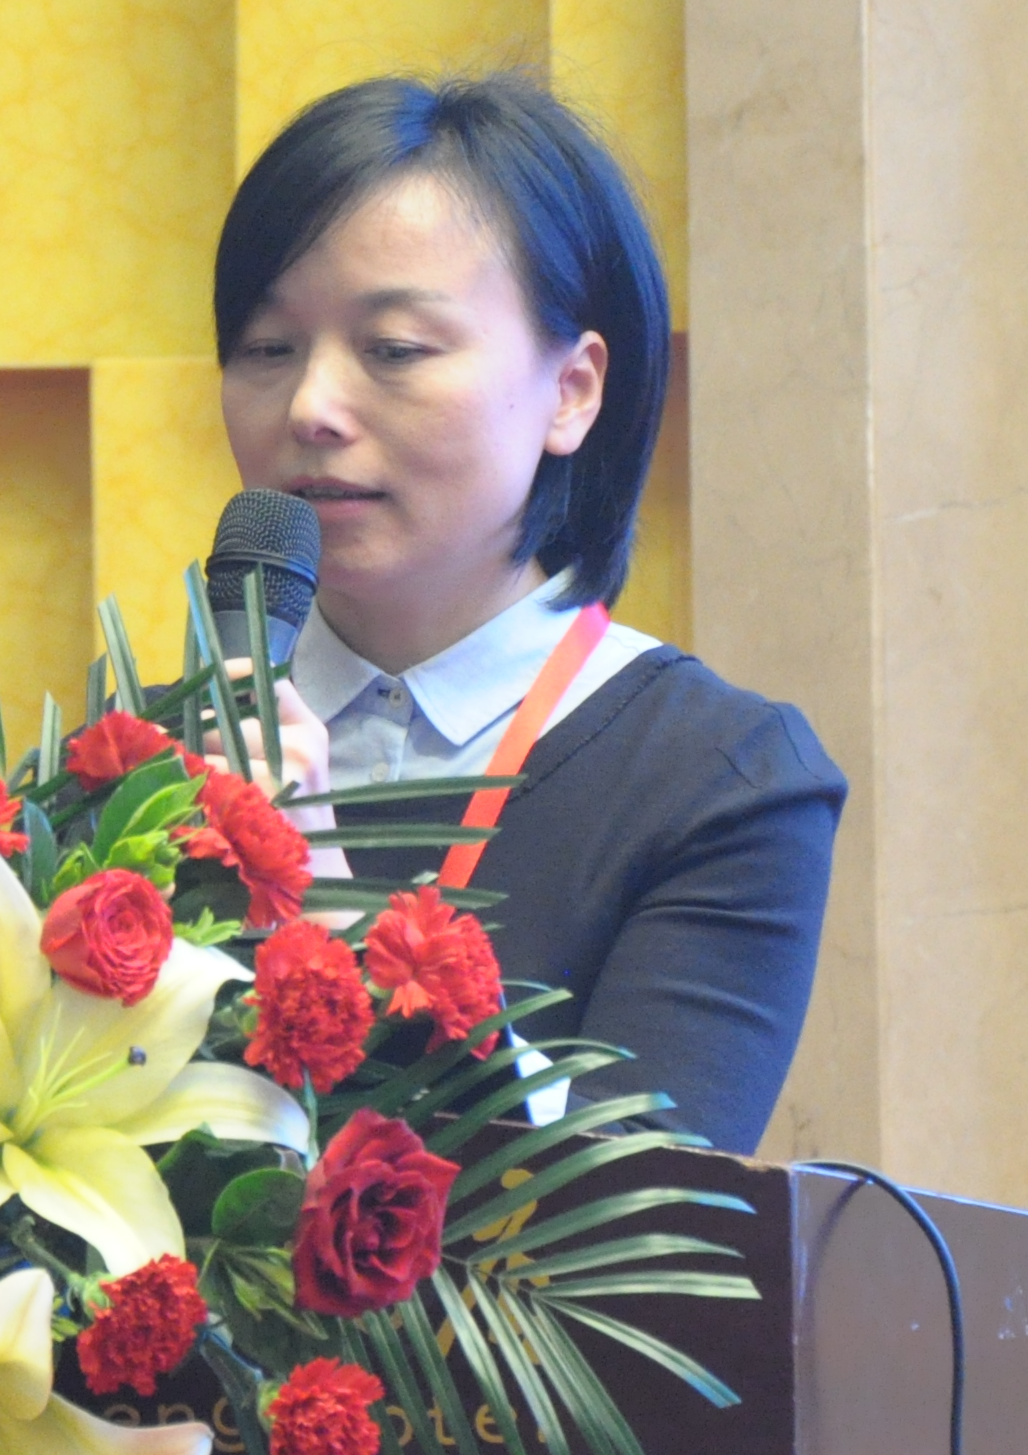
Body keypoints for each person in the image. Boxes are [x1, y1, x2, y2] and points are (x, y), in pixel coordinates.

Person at [214, 72, 844, 1153]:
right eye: (269, 349)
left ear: (572, 390)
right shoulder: (151, 757)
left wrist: (319, 888)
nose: (311, 407)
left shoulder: (721, 780)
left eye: (393, 348)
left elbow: (636, 1225)